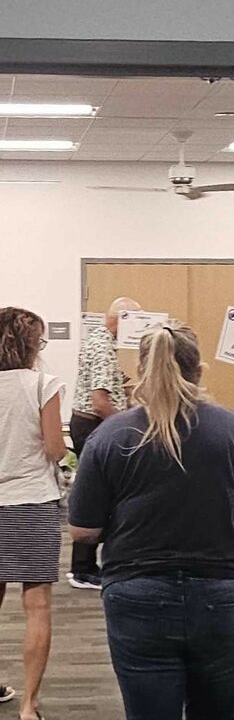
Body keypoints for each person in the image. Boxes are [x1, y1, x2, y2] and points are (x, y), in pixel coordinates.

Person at [68, 323, 234, 720]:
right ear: (199, 370)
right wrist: (233, 524)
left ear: (140, 370)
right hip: (223, 591)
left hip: (137, 593)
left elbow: (84, 531)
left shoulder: (108, 436)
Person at [0, 307, 68, 720]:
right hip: (31, 501)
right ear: (30, 345)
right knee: (37, 605)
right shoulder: (42, 384)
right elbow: (55, 449)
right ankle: (29, 704)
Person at [68, 296, 140, 590]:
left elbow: (112, 382)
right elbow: (100, 403)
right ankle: (83, 569)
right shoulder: (102, 347)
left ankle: (87, 566)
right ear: (122, 320)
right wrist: (125, 428)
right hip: (94, 425)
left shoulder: (101, 341)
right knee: (97, 495)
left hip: (90, 425)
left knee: (97, 493)